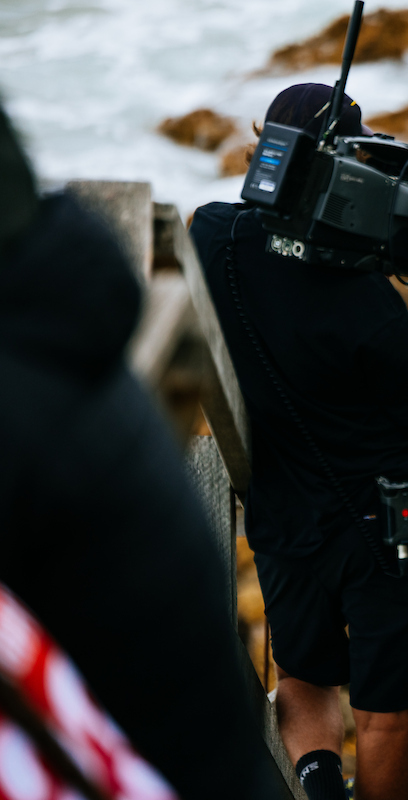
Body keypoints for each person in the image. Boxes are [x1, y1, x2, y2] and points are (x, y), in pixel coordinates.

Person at [189, 83, 408, 800]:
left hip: (283, 511)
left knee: (303, 673)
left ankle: (321, 788)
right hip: (382, 520)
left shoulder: (212, 237)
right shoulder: (358, 295)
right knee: (384, 711)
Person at [0, 105, 281, 799]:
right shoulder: (60, 323)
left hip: (163, 757)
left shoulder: (25, 407)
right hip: (205, 752)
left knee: (308, 689)